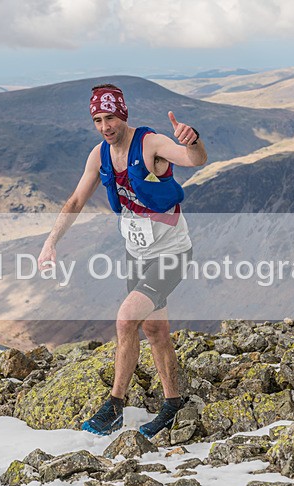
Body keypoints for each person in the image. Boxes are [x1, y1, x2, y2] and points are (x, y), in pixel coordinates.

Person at [37, 83, 207, 437]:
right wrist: (50, 243)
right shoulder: (99, 155)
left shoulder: (150, 144)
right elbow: (75, 201)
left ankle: (115, 404)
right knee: (154, 329)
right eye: (98, 119)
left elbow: (194, 160)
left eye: (110, 117)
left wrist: (192, 140)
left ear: (123, 114)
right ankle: (173, 403)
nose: (105, 126)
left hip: (171, 253)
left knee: (126, 318)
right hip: (137, 254)